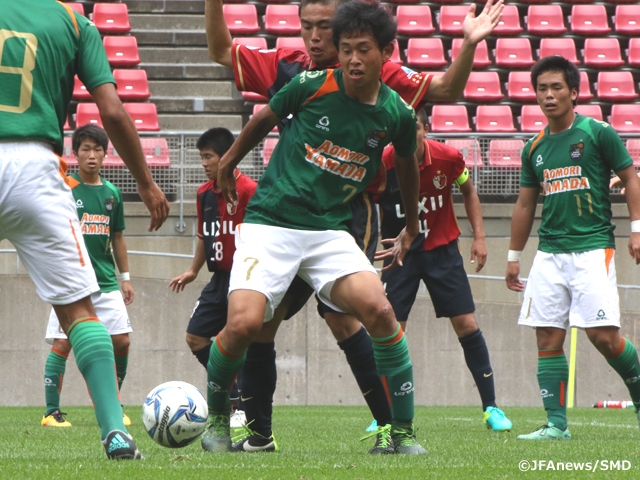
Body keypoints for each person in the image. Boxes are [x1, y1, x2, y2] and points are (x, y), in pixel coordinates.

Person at [204, 0, 503, 452]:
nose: (350, 57)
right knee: (248, 326)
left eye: (359, 47)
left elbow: (410, 154)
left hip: (335, 227)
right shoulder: (303, 77)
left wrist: (413, 223)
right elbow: (262, 114)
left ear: (385, 52)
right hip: (272, 224)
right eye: (342, 46)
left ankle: (398, 432)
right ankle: (221, 423)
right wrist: (228, 163)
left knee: (375, 314)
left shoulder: (395, 106)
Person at [0, 0, 169, 459]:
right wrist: (147, 181)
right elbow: (112, 110)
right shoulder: (75, 21)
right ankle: (115, 433)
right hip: (35, 166)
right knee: (78, 314)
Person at [505, 55, 640, 440]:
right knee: (547, 337)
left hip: (593, 247)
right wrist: (514, 257)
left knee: (604, 338)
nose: (548, 95)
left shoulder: (596, 133)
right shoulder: (534, 148)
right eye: (541, 89)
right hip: (549, 252)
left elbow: (630, 178)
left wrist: (637, 229)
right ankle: (556, 425)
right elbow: (526, 204)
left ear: (574, 92)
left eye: (556, 87)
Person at [169, 128, 312, 448]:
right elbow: (204, 236)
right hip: (219, 279)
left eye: (209, 156)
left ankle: (243, 409)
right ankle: (234, 394)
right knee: (195, 336)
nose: (204, 163)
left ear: (228, 157)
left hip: (247, 279)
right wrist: (193, 270)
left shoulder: (250, 190)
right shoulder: (204, 193)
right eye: (202, 157)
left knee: (245, 343)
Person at [374, 109, 512, 432]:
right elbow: (366, 200)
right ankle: (383, 415)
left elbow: (468, 191)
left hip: (442, 250)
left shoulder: (449, 159)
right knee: (391, 331)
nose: (410, 137)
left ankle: (491, 408)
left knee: (466, 324)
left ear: (426, 130)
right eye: (402, 133)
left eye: (416, 130)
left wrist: (479, 237)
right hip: (400, 254)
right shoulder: (382, 163)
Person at [42, 125, 134, 429]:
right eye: (85, 149)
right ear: (76, 153)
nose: (91, 155)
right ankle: (51, 413)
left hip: (106, 280)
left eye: (97, 150)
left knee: (121, 342)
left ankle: (113, 405)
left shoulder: (112, 194)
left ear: (105, 154)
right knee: (63, 343)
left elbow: (117, 237)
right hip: (71, 278)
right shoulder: (65, 187)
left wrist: (126, 277)